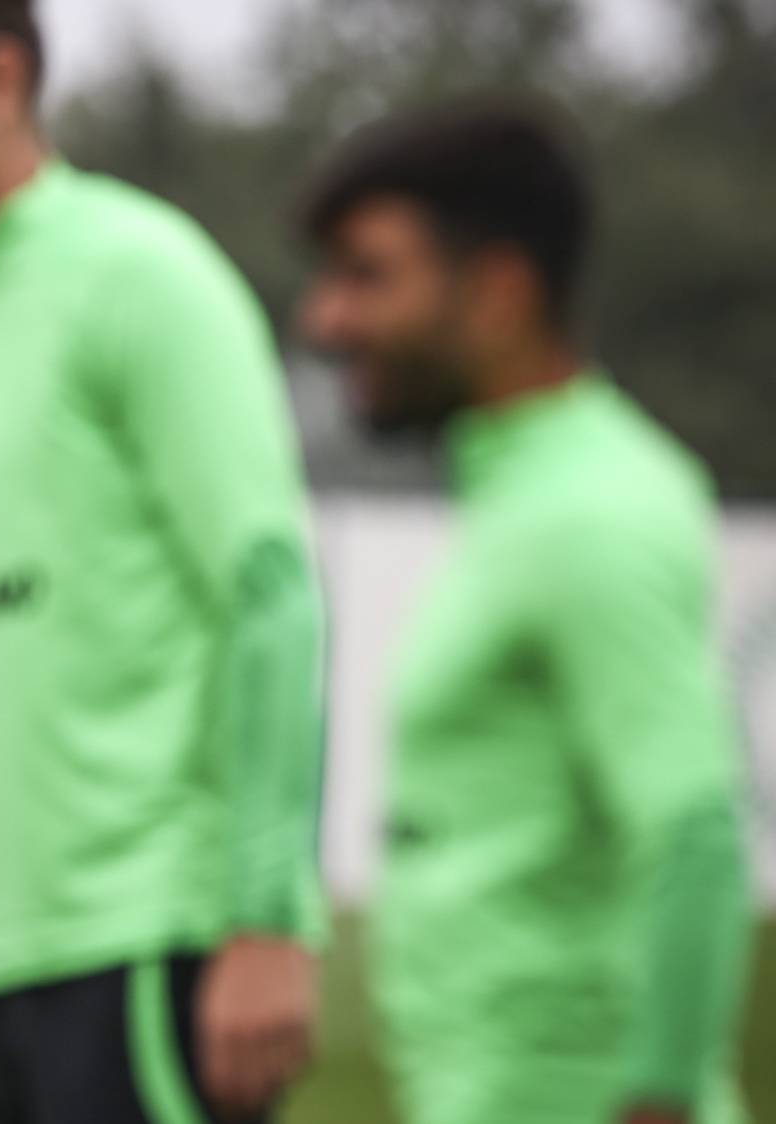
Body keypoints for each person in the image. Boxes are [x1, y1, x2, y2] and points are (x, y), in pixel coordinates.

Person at [0, 1, 328, 1121]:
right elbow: (4, 676)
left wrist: (262, 918)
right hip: (13, 969)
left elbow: (269, 597)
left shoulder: (138, 275)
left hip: (156, 953)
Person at [298, 101, 751, 1124]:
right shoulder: (527, 487)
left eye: (366, 275)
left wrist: (661, 1097)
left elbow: (691, 831)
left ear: (498, 290)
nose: (324, 320)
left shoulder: (587, 510)